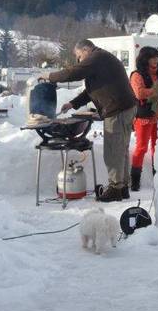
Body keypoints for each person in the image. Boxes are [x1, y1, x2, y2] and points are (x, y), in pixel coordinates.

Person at [43, 39, 137, 202]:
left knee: (113, 150)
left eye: (79, 56)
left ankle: (115, 189)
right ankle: (122, 187)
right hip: (125, 107)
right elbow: (91, 90)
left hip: (118, 109)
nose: (79, 60)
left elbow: (73, 73)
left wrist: (49, 77)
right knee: (121, 148)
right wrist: (73, 103)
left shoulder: (97, 57)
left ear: (86, 49)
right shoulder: (102, 59)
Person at [129, 46, 158, 192]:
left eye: (157, 57)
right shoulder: (136, 75)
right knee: (142, 147)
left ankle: (157, 177)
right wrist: (157, 90)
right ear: (145, 59)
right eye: (153, 58)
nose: (156, 60)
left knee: (157, 147)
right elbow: (139, 93)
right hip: (143, 116)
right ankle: (135, 180)